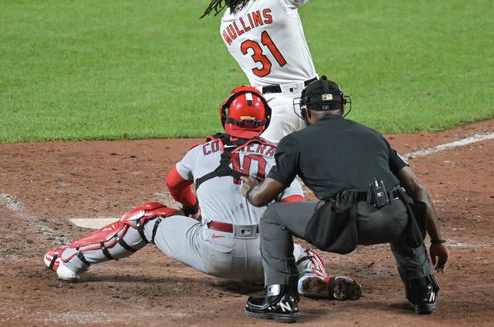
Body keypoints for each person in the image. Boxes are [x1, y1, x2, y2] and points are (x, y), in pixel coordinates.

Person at [43, 86, 362, 301]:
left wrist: (192, 208)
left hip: (215, 253)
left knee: (148, 217)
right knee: (307, 257)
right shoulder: (280, 155)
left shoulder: (201, 151)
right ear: (264, 121)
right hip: (270, 259)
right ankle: (308, 280)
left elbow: (174, 184)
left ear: (226, 117)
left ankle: (70, 260)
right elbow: (295, 206)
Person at [240, 76, 449, 322]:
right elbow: (417, 190)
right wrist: (438, 240)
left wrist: (251, 190)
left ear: (306, 110)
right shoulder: (373, 136)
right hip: (395, 221)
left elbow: (264, 197)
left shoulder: (295, 142)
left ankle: (280, 297)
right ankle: (422, 288)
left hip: (346, 224)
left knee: (274, 217)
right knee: (401, 201)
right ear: (342, 107)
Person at [200, 0, 394, 142]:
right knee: (328, 168)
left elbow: (270, 16)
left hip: (271, 113)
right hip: (313, 105)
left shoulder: (226, 25)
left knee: (271, 172)